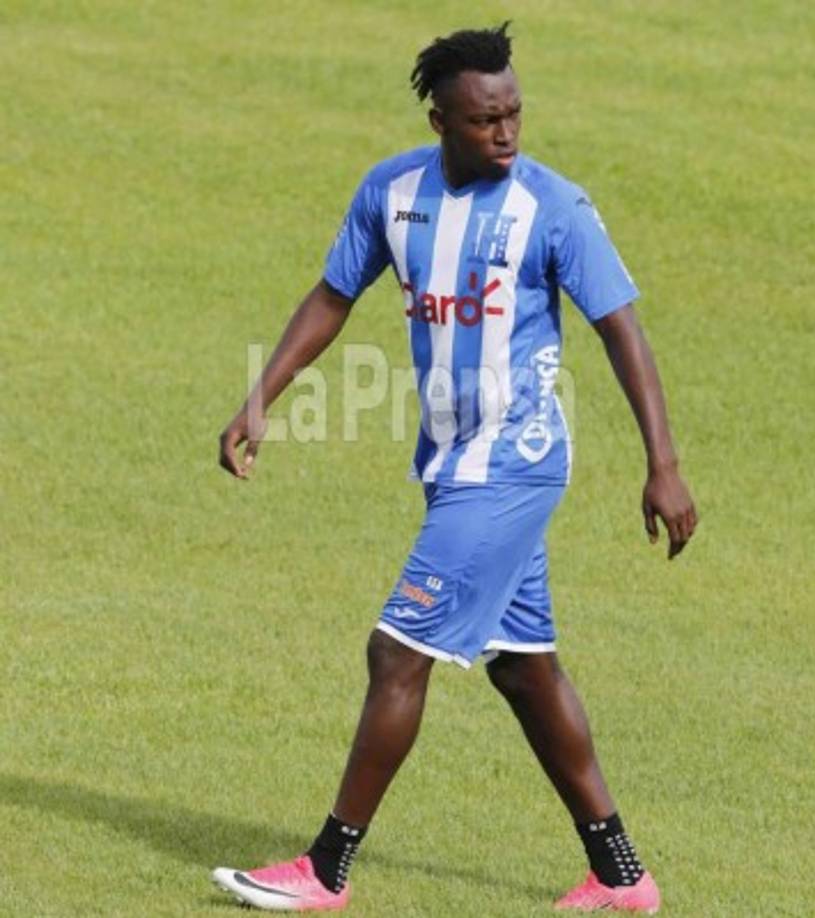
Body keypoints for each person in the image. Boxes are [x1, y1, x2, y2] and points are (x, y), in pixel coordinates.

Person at [213, 21, 696, 914]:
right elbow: (332, 295)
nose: (506, 132)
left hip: (513, 465)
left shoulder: (553, 207)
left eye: (515, 113)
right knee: (523, 667)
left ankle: (326, 869)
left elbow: (621, 329)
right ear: (441, 119)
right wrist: (262, 394)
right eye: (485, 120)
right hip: (449, 462)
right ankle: (621, 877)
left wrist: (661, 465)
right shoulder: (391, 193)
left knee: (396, 651)